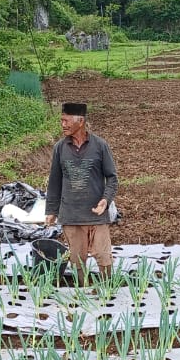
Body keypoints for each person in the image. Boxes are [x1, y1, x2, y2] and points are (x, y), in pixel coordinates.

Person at [45, 102, 118, 285]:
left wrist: (105, 200)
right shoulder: (60, 148)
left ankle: (107, 290)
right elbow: (54, 182)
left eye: (66, 121)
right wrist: (51, 211)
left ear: (81, 121)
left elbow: (112, 178)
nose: (63, 125)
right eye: (61, 121)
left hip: (96, 215)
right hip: (71, 215)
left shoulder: (100, 146)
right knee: (77, 261)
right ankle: (82, 290)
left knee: (104, 257)